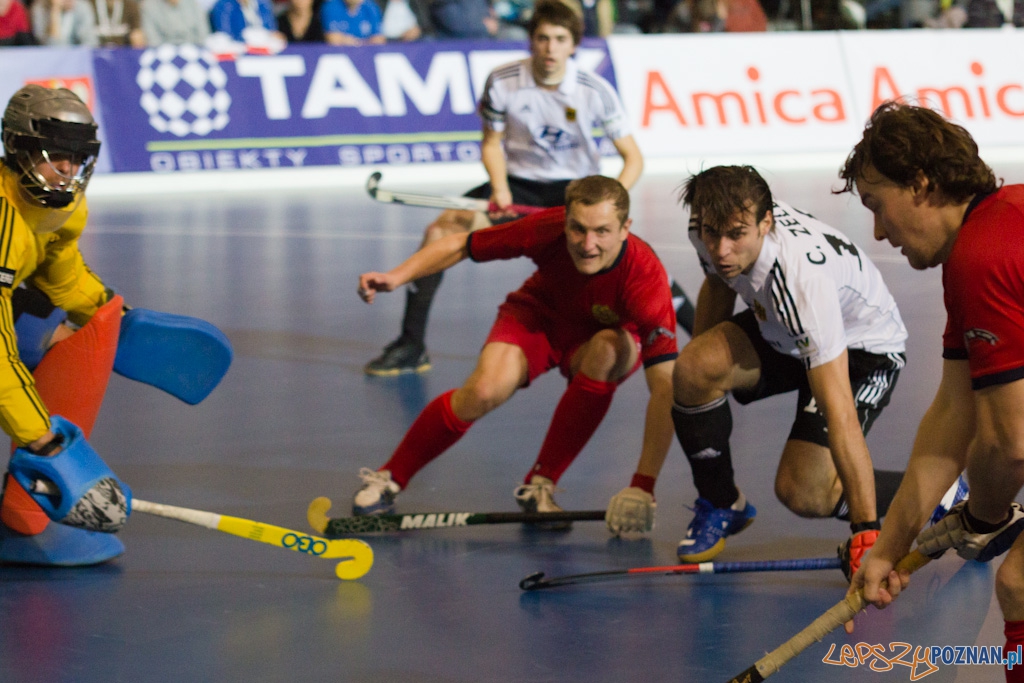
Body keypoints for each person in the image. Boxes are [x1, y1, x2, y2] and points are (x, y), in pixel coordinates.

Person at [606, 165, 945, 581]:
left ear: (766, 223)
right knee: (692, 369)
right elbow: (716, 281)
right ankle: (720, 502)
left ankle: (940, 493)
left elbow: (840, 413)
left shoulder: (803, 284)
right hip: (782, 328)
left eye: (736, 235)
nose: (722, 250)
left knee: (804, 493)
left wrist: (866, 533)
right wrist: (701, 384)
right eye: (713, 235)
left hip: (860, 348)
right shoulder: (708, 226)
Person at [351, 175, 678, 524]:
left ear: (625, 228)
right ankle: (390, 477)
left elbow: (665, 390)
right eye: (578, 229)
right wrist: (396, 277)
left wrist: (643, 484)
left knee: (608, 350)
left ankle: (541, 483)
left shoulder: (645, 278)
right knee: (482, 390)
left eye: (602, 231)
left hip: (603, 337)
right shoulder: (546, 228)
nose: (587, 243)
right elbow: (463, 244)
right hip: (540, 315)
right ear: (564, 219)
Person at [0, 85, 232, 567]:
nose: (67, 169)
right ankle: (33, 491)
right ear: (17, 149)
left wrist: (109, 318)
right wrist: (48, 445)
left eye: (77, 158)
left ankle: (22, 515)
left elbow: (61, 279)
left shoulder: (59, 205)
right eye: (54, 156)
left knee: (65, 338)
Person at [364, 0, 658, 377]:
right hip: (517, 185)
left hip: (578, 192)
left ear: (573, 45)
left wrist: (606, 206)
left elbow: (633, 158)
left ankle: (682, 330)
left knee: (635, 261)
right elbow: (491, 143)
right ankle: (410, 344)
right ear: (530, 41)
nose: (550, 48)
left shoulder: (594, 90)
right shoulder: (502, 80)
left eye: (559, 39)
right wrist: (500, 189)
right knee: (440, 231)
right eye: (542, 38)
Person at [840, 102, 1024, 682]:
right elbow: (952, 415)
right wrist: (887, 549)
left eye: (876, 205)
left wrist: (984, 513)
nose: (876, 231)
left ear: (920, 184)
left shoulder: (982, 255)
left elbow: (1009, 442)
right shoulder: (993, 226)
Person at [141, 0, 211, 44]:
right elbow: (153, 39)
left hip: (194, 50)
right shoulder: (148, 6)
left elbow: (203, 34)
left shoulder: (193, 3)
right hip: (164, 53)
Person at [32, 0, 99, 46]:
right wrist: (55, 11)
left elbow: (89, 42)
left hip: (78, 58)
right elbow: (51, 46)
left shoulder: (82, 7)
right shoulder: (40, 8)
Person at [209, 0, 278, 41]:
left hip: (266, 47)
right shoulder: (224, 5)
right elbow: (225, 35)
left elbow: (272, 29)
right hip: (239, 49)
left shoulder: (263, 3)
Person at [321, 0, 385, 44]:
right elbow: (333, 38)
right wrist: (360, 43)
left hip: (365, 54)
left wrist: (353, 42)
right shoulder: (332, 6)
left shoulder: (371, 7)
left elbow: (379, 39)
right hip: (339, 54)